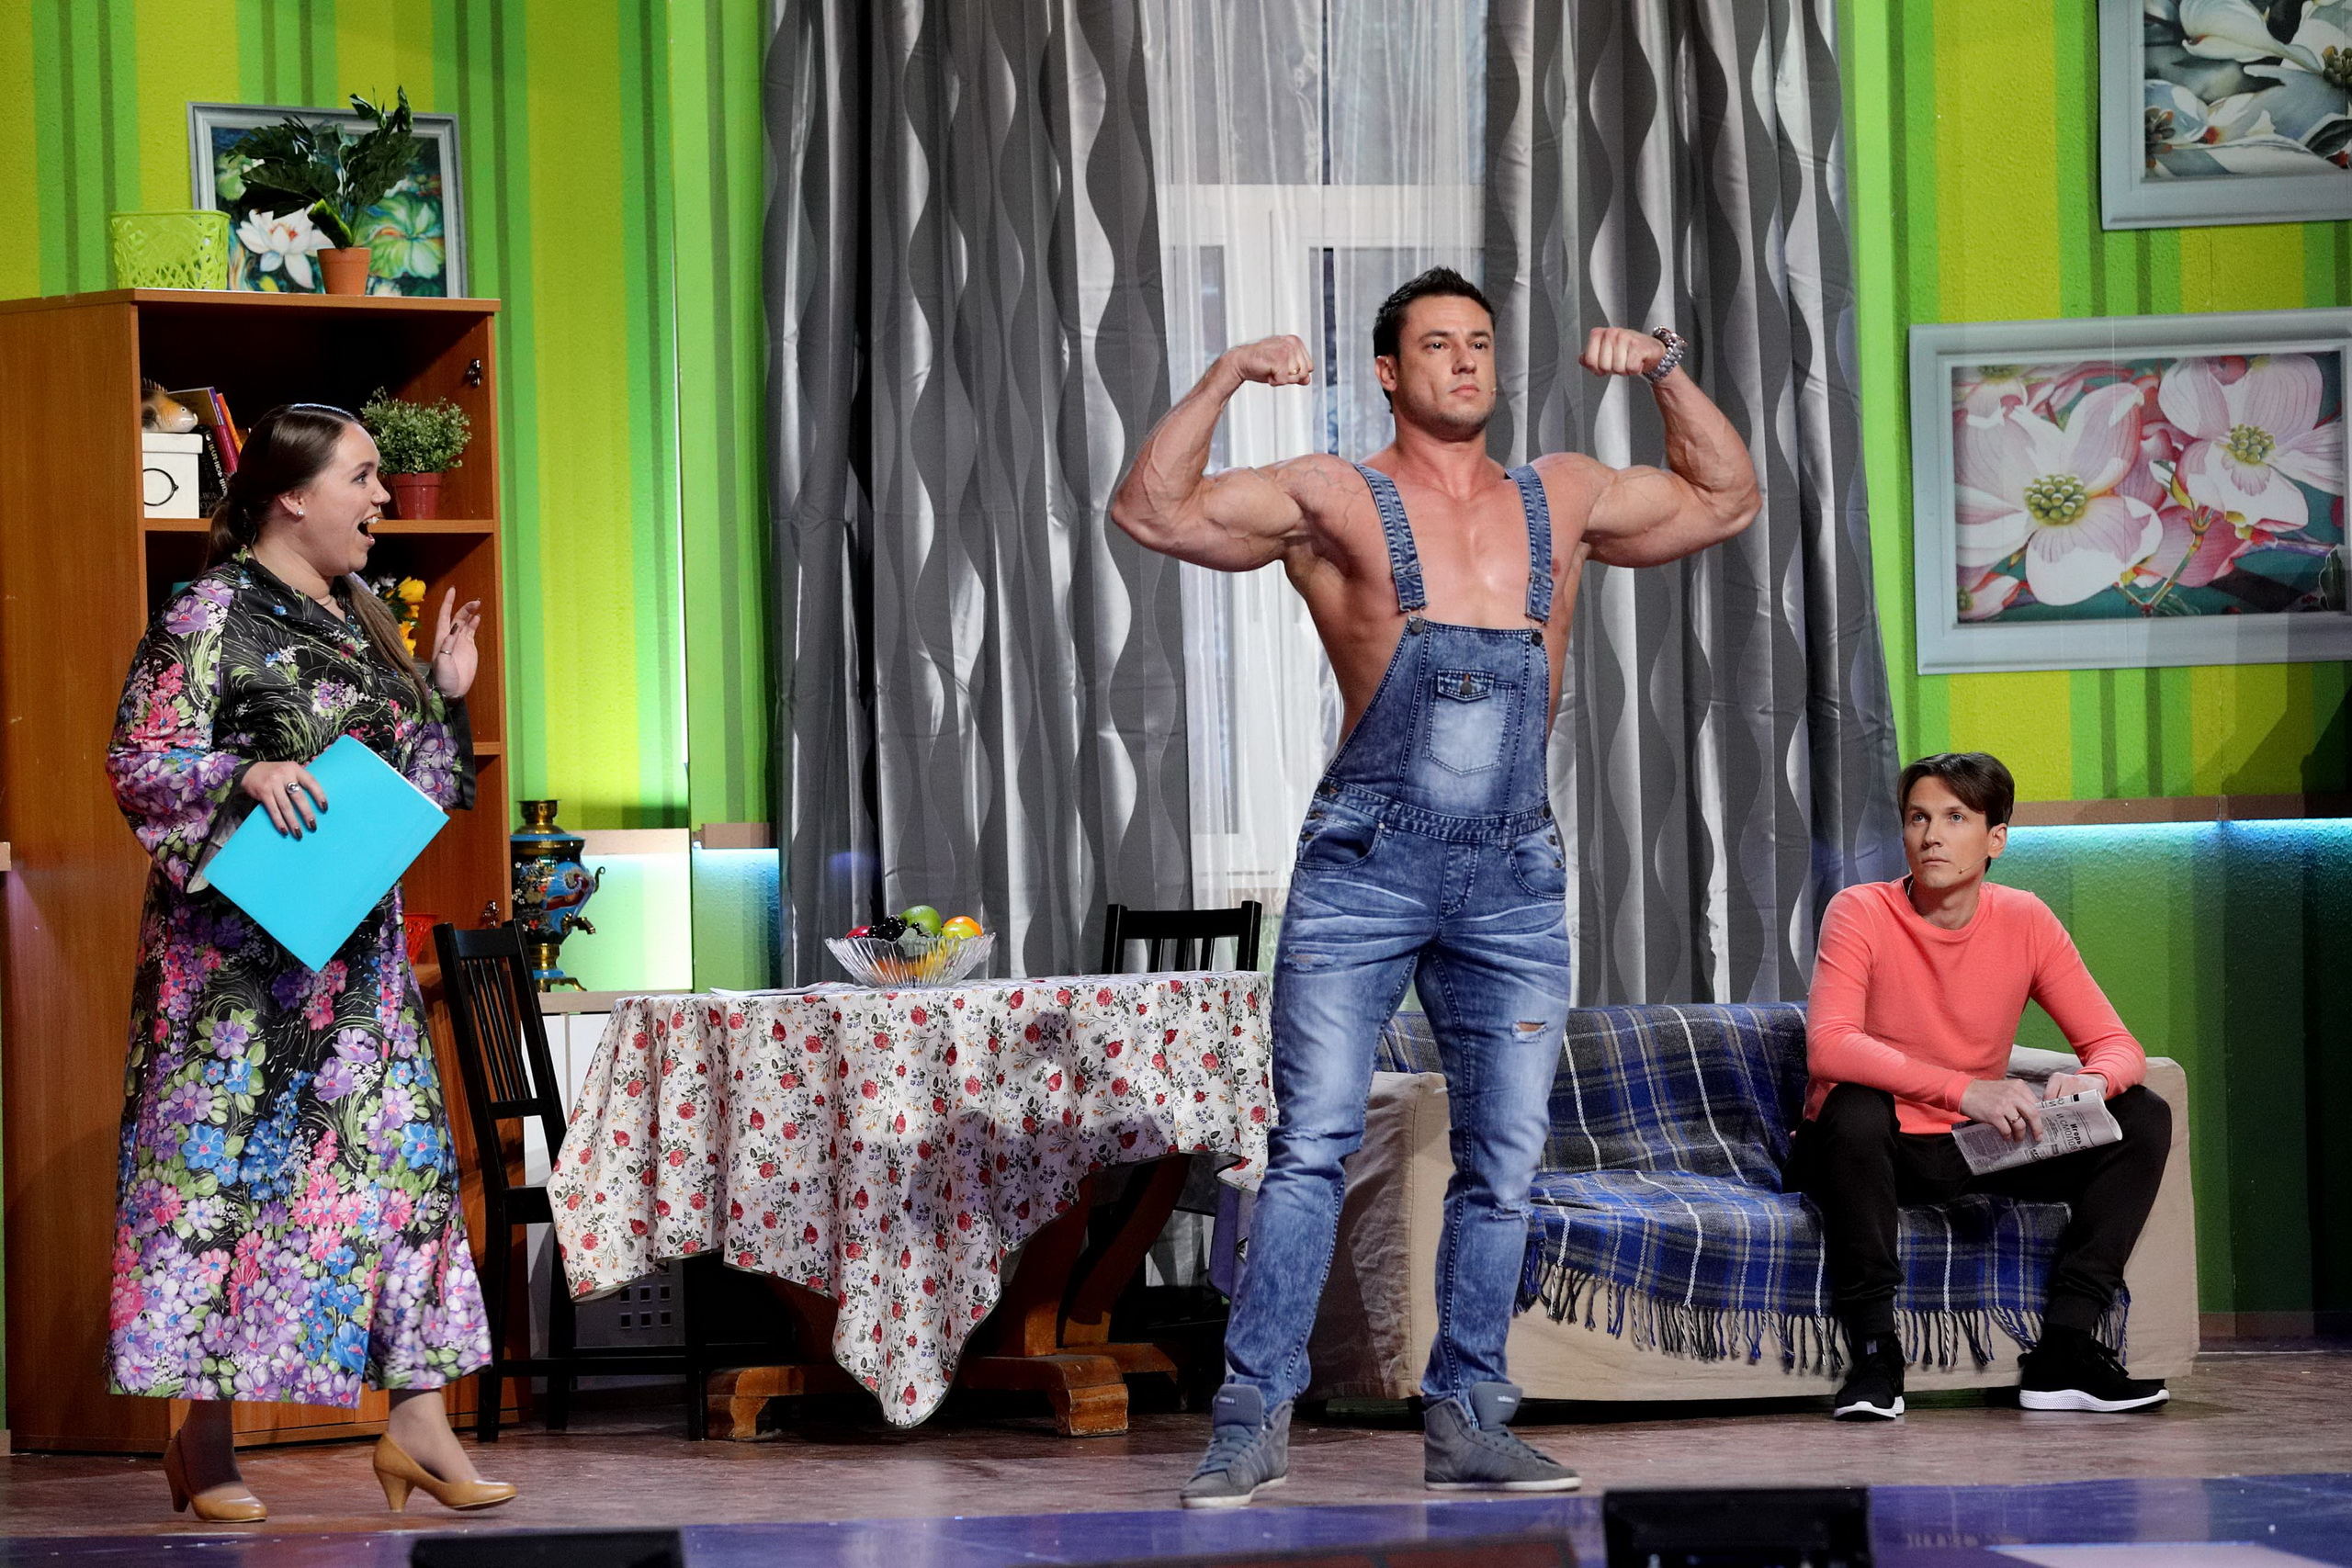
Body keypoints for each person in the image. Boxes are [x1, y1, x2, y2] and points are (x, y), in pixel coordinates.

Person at [1109, 268, 1758, 1506]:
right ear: (1389, 372)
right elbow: (1151, 509)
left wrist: (1666, 371)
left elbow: (1728, 496)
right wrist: (1229, 372)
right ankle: (1249, 1423)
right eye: (1437, 345)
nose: (1465, 362)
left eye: (1479, 343)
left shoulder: (1563, 493)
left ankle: (1469, 1419)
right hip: (1366, 867)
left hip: (1513, 873)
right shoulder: (1332, 495)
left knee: (1503, 1163)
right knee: (1308, 1150)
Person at [106, 403, 516, 1520]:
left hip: (355, 956)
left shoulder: (362, 614)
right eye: (364, 477)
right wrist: (241, 774)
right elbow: (138, 758)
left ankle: (419, 1422)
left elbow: (421, 793)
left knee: (399, 1174)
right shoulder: (209, 612)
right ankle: (202, 1441)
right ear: (292, 496)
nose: (384, 498)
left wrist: (443, 695)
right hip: (230, 976)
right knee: (218, 1185)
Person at [1799, 750, 2174, 1422]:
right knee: (1854, 1105)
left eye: (1954, 818)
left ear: (1995, 838)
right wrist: (1965, 1090)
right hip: (1866, 1151)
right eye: (1918, 817)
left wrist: (2091, 1078)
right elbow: (1830, 1045)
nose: (1930, 835)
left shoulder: (2025, 920)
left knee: (2143, 1115)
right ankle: (1877, 1356)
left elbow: (2120, 1046)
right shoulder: (1859, 911)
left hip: (1969, 1150)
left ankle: (2065, 1349)